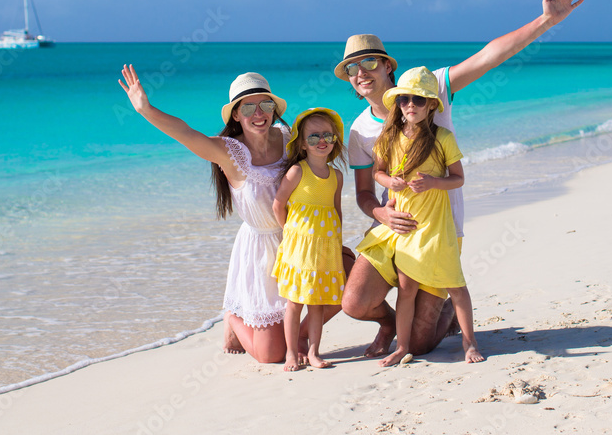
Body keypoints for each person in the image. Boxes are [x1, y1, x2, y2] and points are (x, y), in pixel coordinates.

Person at [338, 0, 584, 358]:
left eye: (368, 62)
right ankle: (390, 324)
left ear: (387, 66)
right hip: (393, 226)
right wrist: (381, 214)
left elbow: (488, 56)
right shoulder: (359, 130)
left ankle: (448, 312)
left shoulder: (429, 86)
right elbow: (365, 193)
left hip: (438, 229)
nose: (361, 72)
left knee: (421, 344)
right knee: (354, 303)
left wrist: (545, 22)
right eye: (352, 68)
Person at [120, 67, 327, 363]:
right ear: (236, 115)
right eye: (248, 107)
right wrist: (146, 109)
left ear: (274, 108)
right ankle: (232, 319)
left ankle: (299, 335)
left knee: (345, 286)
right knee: (271, 355)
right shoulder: (228, 153)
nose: (259, 113)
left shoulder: (290, 138)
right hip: (263, 252)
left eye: (265, 104)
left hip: (301, 241)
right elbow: (186, 133)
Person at [361, 67, 483, 366]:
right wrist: (389, 182)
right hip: (406, 226)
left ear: (431, 104)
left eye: (418, 99)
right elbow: (377, 172)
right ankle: (402, 347)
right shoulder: (389, 137)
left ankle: (469, 343)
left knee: (456, 286)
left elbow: (458, 178)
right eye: (404, 100)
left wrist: (433, 182)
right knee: (406, 289)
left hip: (438, 226)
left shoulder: (442, 138)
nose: (410, 105)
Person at [271, 108, 346, 371]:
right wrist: (290, 233)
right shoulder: (297, 171)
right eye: (313, 137)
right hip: (299, 250)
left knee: (317, 305)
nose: (321, 141)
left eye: (327, 135)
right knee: (294, 303)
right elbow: (278, 205)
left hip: (325, 250)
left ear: (335, 139)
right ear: (302, 143)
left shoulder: (336, 176)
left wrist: (337, 242)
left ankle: (314, 352)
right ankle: (291, 353)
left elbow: (336, 211)